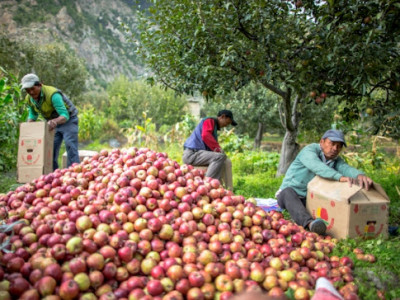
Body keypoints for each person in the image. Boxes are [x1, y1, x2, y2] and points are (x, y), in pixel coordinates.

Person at [276, 129, 373, 235]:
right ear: (322, 142)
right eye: (332, 144)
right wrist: (339, 177)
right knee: (287, 192)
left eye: (339, 146)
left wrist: (359, 175)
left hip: (310, 200)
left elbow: (345, 168)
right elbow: (317, 166)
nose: (335, 148)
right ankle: (310, 224)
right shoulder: (309, 151)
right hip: (290, 197)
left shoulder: (335, 160)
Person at [21, 73, 80, 170]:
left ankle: (74, 174)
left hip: (68, 120)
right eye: (27, 90)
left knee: (70, 145)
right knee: (50, 150)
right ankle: (53, 175)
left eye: (33, 89)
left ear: (39, 85)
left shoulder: (53, 94)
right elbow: (33, 114)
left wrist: (54, 122)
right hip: (52, 123)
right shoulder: (30, 99)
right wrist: (28, 125)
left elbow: (64, 116)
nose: (31, 92)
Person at [182, 110, 237, 190]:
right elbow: (205, 135)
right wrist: (219, 149)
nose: (226, 125)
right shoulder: (210, 120)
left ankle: (221, 187)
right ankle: (207, 185)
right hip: (192, 153)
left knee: (222, 158)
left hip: (196, 153)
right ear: (223, 117)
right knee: (219, 157)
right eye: (227, 122)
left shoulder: (213, 126)